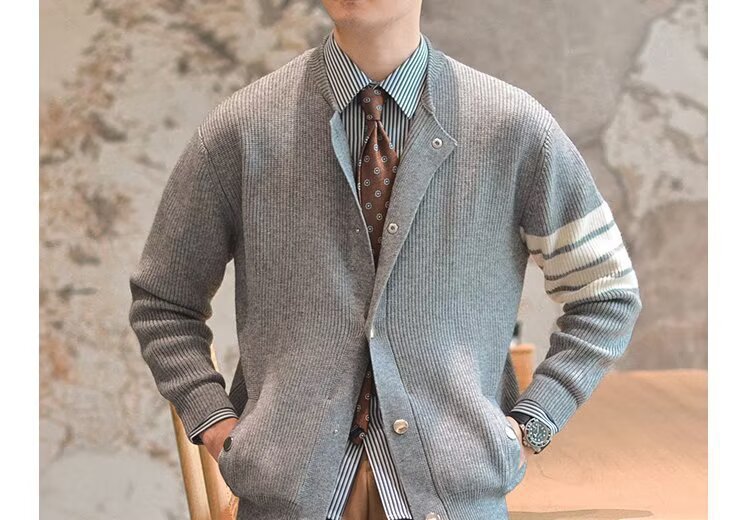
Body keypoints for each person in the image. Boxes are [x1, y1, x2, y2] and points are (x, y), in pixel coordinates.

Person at [128, 1, 642, 519]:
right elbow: (163, 302)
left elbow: (606, 292)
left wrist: (534, 420)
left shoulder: (513, 128)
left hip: (454, 500)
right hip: (288, 500)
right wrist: (215, 422)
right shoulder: (243, 129)